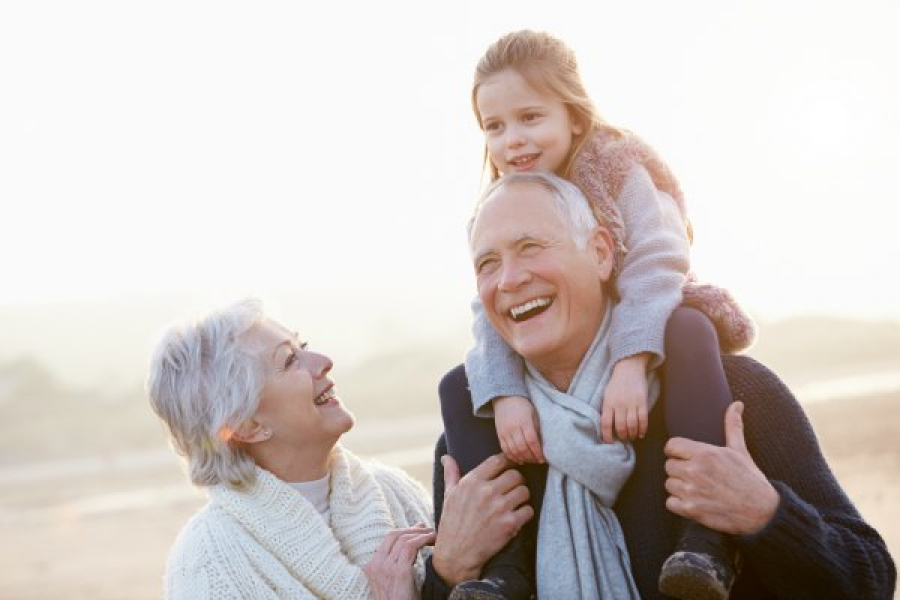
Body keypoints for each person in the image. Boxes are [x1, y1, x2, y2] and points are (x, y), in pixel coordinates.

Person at [433, 172, 896, 599]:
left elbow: (871, 581)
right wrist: (447, 570)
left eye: (531, 247)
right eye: (488, 263)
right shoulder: (473, 443)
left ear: (600, 252)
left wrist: (766, 515)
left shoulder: (732, 394)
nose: (510, 279)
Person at [444, 29, 753, 599]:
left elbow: (659, 259)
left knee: (689, 327)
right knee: (459, 386)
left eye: (530, 117)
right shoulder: (499, 203)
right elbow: (490, 306)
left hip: (649, 314)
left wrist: (631, 361)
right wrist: (507, 393)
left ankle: (708, 540)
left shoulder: (616, 166)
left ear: (575, 115)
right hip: (561, 356)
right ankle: (504, 570)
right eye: (494, 126)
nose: (512, 140)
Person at [146, 299, 534, 599]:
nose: (323, 362)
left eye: (305, 346)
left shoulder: (392, 491)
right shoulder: (208, 561)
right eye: (288, 360)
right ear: (246, 426)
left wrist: (449, 575)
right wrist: (449, 569)